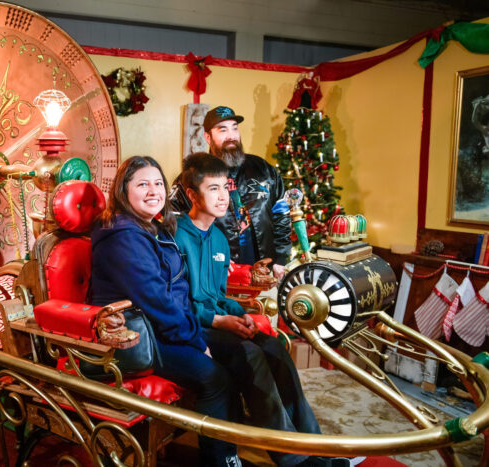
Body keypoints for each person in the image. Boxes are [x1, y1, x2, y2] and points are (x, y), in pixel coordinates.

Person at [174, 153, 341, 467]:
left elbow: (218, 295)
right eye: (213, 189)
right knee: (249, 355)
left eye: (225, 187)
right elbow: (180, 305)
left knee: (275, 347)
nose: (224, 196)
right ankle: (294, 460)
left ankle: (316, 447)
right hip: (194, 328)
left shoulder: (220, 239)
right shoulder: (176, 236)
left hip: (219, 320)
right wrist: (222, 321)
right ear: (192, 195)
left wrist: (241, 314)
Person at [90, 155, 242, 467]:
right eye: (142, 184)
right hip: (131, 337)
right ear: (123, 190)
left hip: (158, 328)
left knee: (242, 354)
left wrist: (197, 332)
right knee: (214, 377)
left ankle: (240, 452)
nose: (153, 190)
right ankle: (222, 461)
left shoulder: (152, 228)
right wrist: (196, 341)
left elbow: (178, 291)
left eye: (158, 183)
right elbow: (155, 299)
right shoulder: (123, 236)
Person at [171, 106, 291, 280]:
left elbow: (282, 211)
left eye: (235, 128)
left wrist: (281, 258)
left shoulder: (263, 169)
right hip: (215, 273)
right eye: (223, 130)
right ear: (207, 137)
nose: (231, 136)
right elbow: (173, 223)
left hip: (266, 271)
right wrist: (203, 255)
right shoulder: (191, 177)